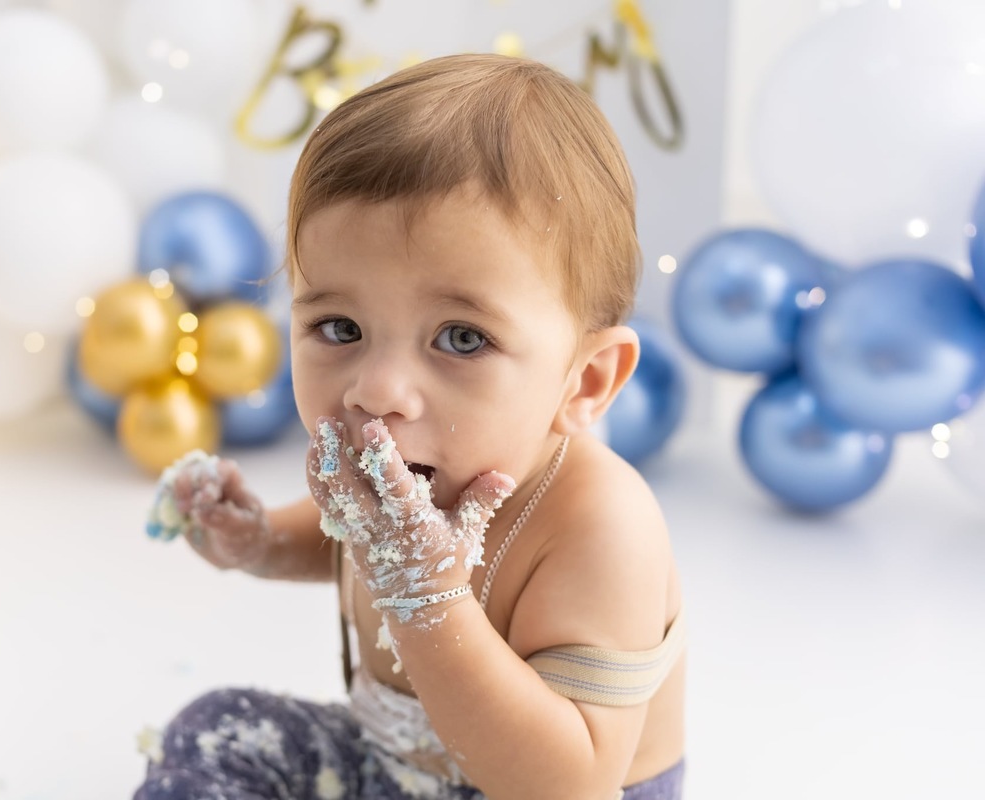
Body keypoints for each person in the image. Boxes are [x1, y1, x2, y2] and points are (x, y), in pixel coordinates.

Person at [135, 53, 686, 800]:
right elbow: (341, 539)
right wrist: (261, 541)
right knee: (217, 728)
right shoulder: (398, 468)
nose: (378, 391)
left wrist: (428, 599)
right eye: (339, 326)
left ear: (584, 381)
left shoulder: (598, 524)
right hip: (385, 766)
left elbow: (569, 784)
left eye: (461, 338)